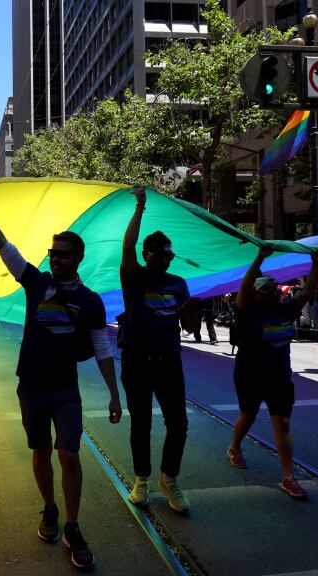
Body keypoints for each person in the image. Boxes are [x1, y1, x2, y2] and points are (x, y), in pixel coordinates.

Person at [0, 184, 121, 571]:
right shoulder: (36, 283)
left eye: (62, 255)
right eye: (52, 253)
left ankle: (73, 527)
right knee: (41, 451)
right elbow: (4, 247)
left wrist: (114, 395)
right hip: (30, 386)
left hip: (65, 391)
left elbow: (102, 350)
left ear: (78, 258)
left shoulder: (91, 301)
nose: (55, 259)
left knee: (70, 455)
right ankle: (49, 509)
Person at [119, 187, 196, 514]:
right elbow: (127, 246)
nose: (167, 259)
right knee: (141, 423)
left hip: (169, 363)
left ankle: (169, 478)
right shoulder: (133, 277)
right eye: (162, 254)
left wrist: (193, 310)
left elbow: (190, 327)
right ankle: (141, 479)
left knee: (178, 423)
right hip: (136, 362)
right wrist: (140, 208)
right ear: (148, 254)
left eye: (170, 255)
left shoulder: (179, 283)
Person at [229, 247, 318, 500]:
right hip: (250, 376)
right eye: (266, 289)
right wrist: (259, 257)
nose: (272, 292)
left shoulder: (285, 310)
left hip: (279, 377)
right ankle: (235, 447)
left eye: (274, 288)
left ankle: (288, 477)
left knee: (282, 422)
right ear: (255, 293)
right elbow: (245, 286)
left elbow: (309, 290)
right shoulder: (246, 311)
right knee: (248, 415)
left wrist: (316, 263)